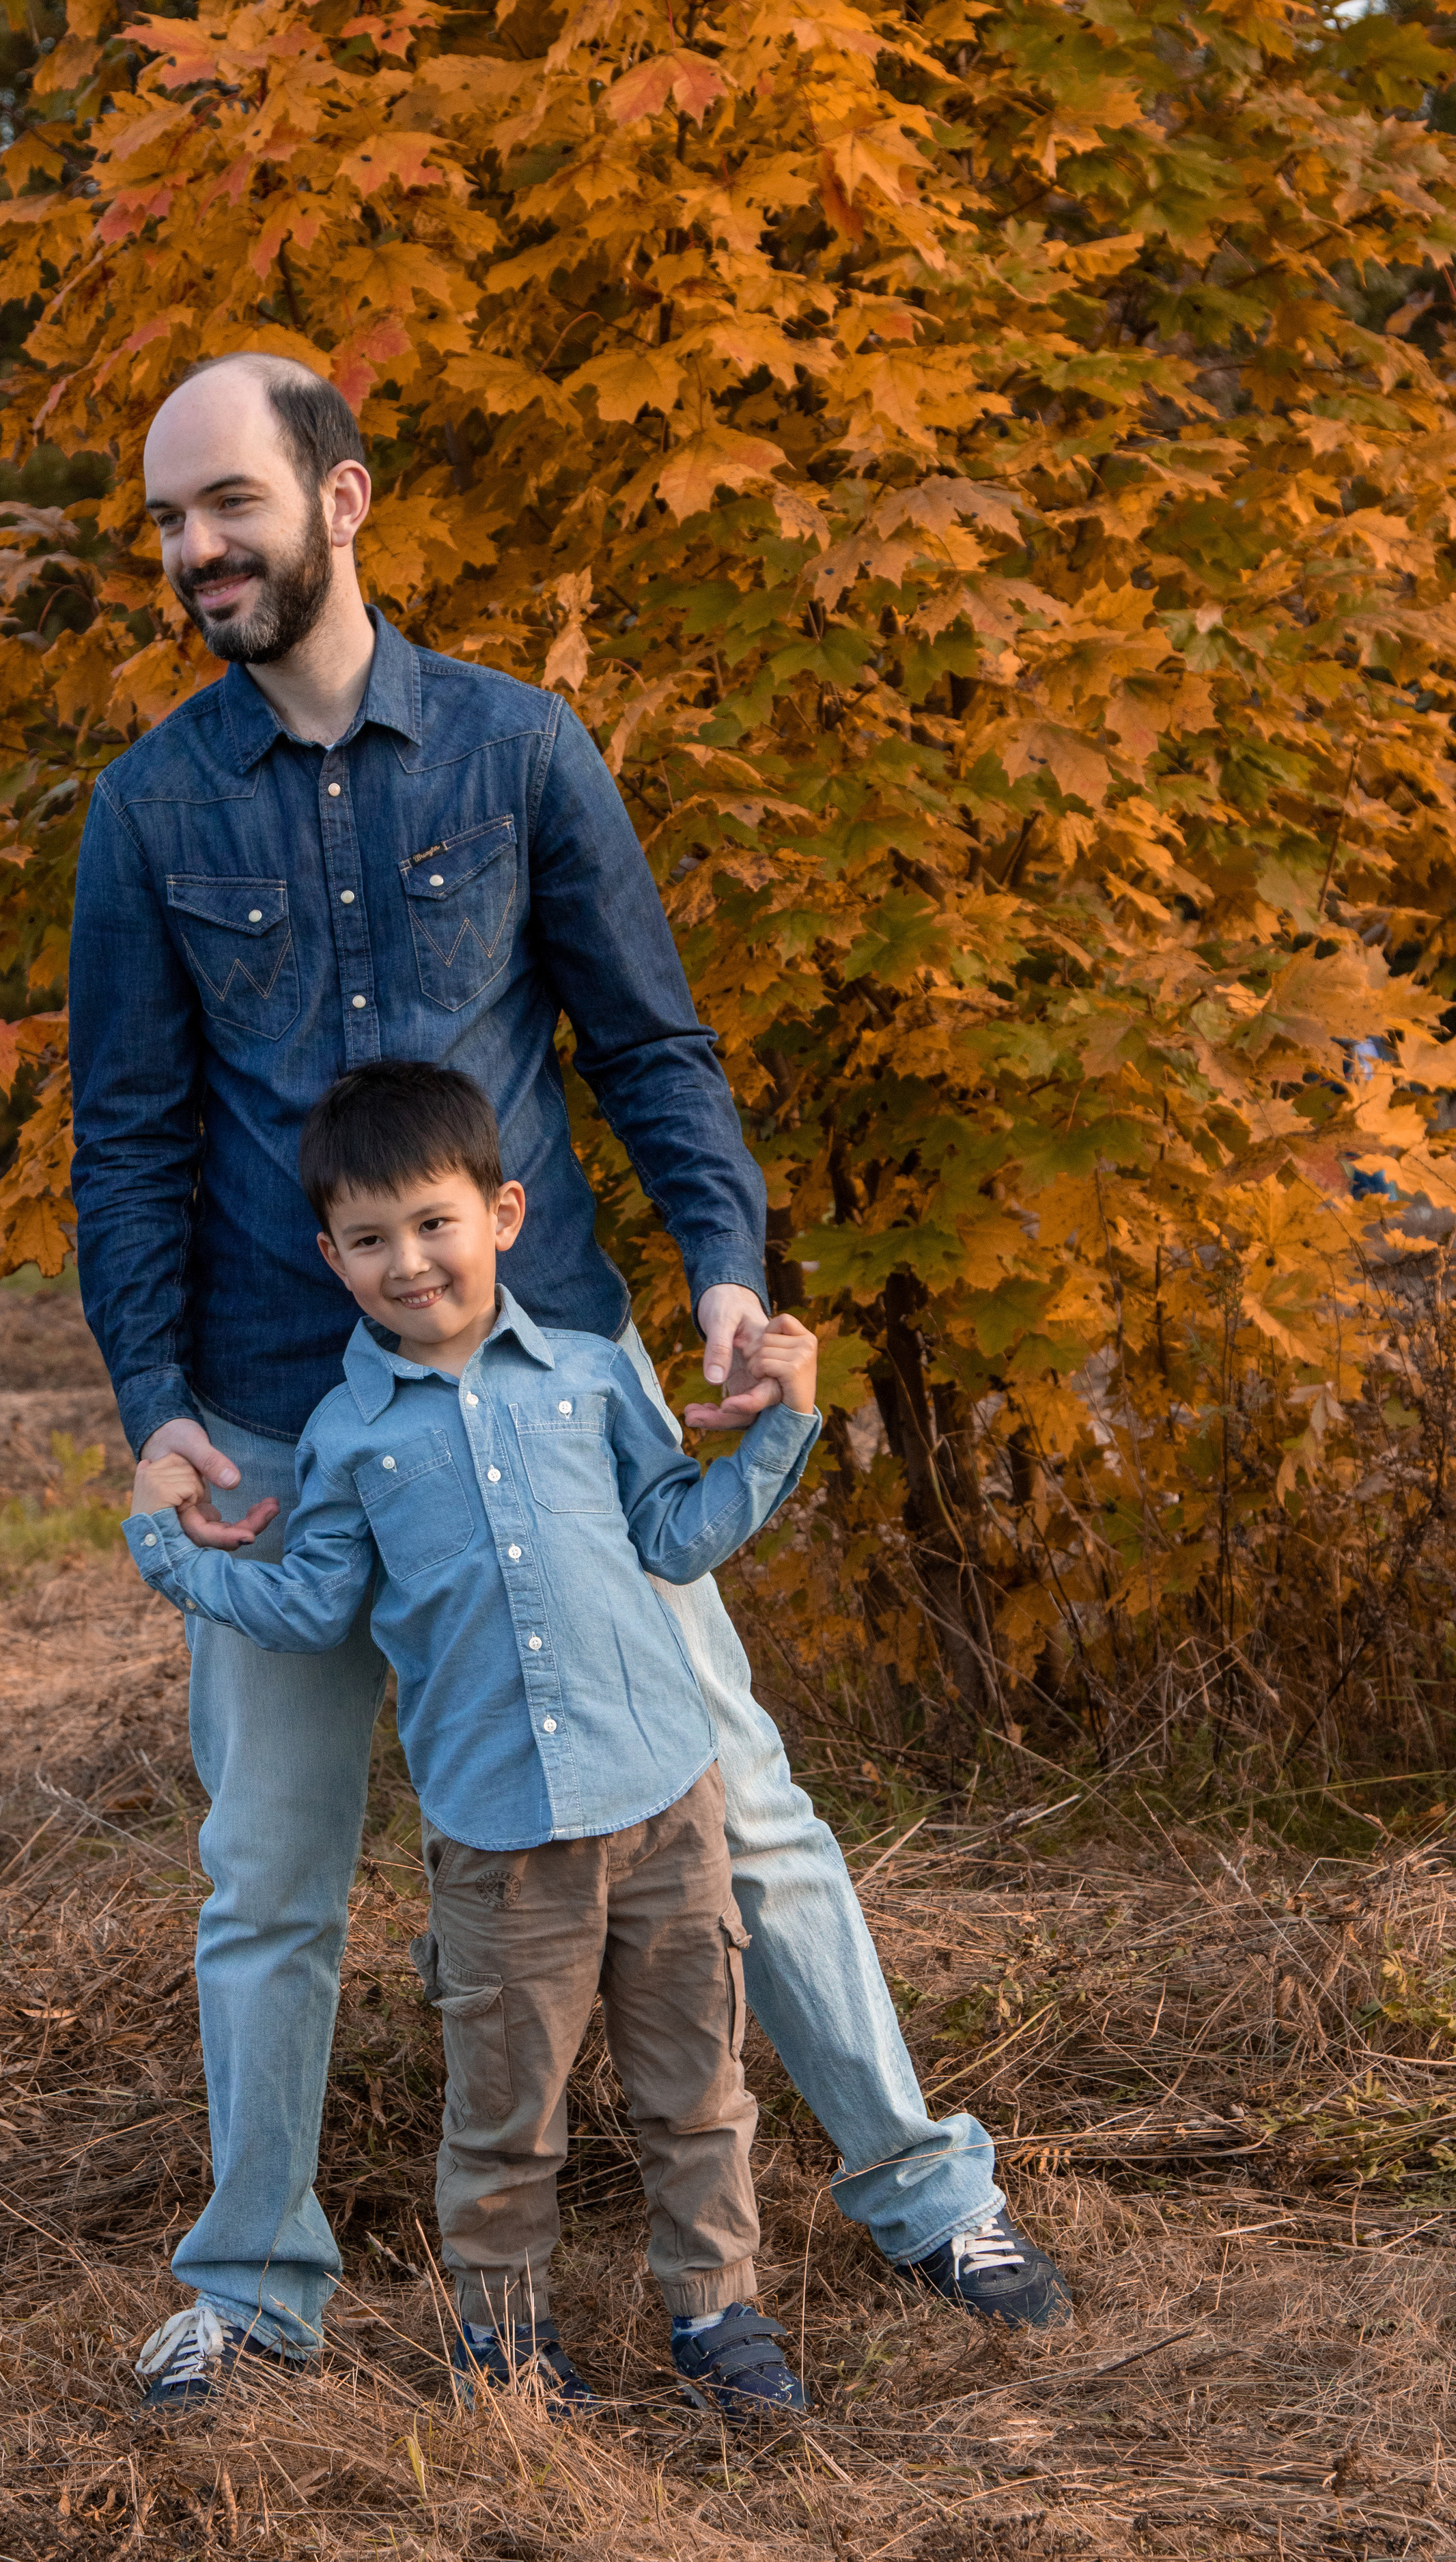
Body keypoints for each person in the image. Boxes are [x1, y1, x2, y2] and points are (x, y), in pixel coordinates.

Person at [68, 346, 1070, 2418]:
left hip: (556, 1387)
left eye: (226, 505)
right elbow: (130, 1134)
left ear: (341, 501)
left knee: (746, 1807)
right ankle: (255, 2287)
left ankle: (918, 2184)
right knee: (269, 1875)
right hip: (275, 1417)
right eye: (168, 522)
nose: (192, 552)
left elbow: (651, 1046)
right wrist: (151, 1393)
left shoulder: (522, 754)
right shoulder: (148, 809)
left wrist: (721, 1274)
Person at [128, 1061, 825, 2420]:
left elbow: (674, 1535)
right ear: (329, 1257)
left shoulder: (585, 1381)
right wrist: (169, 1546)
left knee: (697, 2093)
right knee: (508, 2121)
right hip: (500, 1846)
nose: (407, 1263)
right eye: (370, 1241)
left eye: (433, 1224)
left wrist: (778, 1431)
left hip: (663, 1811)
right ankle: (506, 2346)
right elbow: (308, 1600)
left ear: (502, 1213)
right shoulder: (344, 1439)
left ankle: (718, 2321)